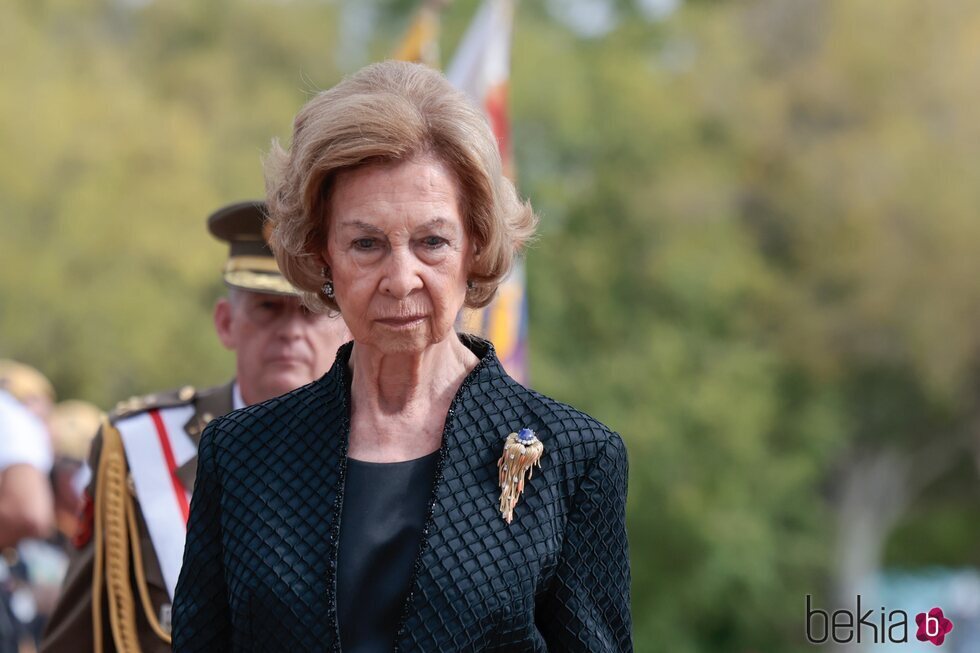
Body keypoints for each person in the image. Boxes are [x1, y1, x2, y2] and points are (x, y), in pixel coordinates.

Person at [172, 61, 632, 652]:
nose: (400, 278)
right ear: (321, 257)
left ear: (476, 247)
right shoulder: (239, 454)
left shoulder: (575, 458)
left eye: (432, 242)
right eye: (366, 244)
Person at [40, 201, 351, 653]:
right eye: (267, 308)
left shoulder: (385, 448)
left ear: (346, 329)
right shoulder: (140, 448)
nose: (289, 332)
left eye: (307, 310)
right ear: (226, 324)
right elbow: (78, 638)